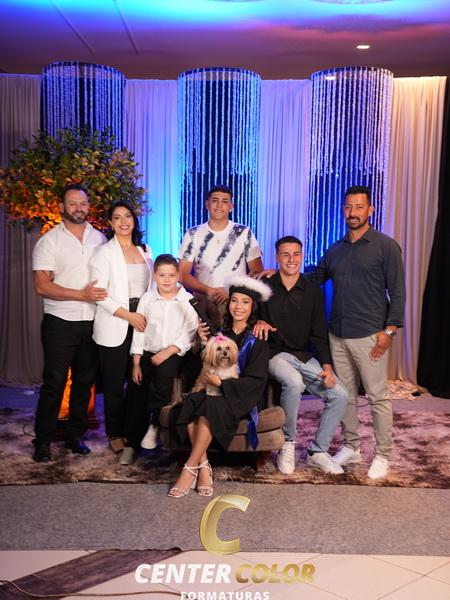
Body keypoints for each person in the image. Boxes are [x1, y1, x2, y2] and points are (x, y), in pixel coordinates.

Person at [306, 185, 406, 479]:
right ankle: (352, 446)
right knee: (345, 395)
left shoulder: (385, 246)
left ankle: (383, 455)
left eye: (359, 207)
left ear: (370, 210)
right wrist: (282, 273)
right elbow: (315, 278)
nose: (353, 212)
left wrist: (389, 331)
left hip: (370, 335)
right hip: (337, 334)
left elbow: (398, 292)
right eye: (349, 207)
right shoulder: (335, 249)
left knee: (377, 396)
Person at [169, 275, 271, 498]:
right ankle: (204, 467)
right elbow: (196, 370)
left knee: (209, 406)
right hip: (211, 393)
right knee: (189, 404)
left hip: (240, 398)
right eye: (234, 300)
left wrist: (222, 383)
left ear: (253, 307)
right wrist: (202, 344)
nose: (238, 306)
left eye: (245, 302)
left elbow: (256, 380)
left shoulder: (257, 338)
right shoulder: (219, 334)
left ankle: (189, 468)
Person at [254, 236, 348, 475]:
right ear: (277, 257)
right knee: (294, 382)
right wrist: (258, 321)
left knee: (339, 394)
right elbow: (246, 315)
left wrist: (327, 365)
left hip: (301, 356)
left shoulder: (313, 291)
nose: (291, 259)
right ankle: (287, 443)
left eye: (296, 254)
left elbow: (319, 334)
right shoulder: (264, 287)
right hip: (273, 354)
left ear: (302, 256)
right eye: (285, 254)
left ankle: (318, 451)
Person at [31, 183, 106, 462]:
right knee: (54, 383)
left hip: (93, 321)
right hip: (60, 321)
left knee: (85, 383)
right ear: (62, 207)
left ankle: (75, 436)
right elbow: (42, 286)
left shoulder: (100, 239)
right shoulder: (49, 241)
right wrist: (81, 295)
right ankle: (43, 440)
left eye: (83, 203)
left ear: (89, 206)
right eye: (73, 203)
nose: (78, 208)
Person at [121, 254, 199, 465]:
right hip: (148, 351)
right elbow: (139, 330)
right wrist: (136, 362)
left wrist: (167, 352)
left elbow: (190, 332)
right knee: (136, 387)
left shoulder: (187, 300)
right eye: (162, 275)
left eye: (171, 275)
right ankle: (131, 443)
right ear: (154, 276)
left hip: (175, 352)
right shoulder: (147, 299)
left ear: (178, 276)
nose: (166, 280)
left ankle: (155, 423)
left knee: (164, 376)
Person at [89, 201, 153, 455]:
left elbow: (153, 287)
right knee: (114, 385)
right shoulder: (104, 253)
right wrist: (129, 316)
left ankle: (133, 431)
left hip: (143, 322)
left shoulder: (145, 250)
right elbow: (99, 294)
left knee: (138, 383)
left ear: (134, 220)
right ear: (111, 223)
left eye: (127, 216)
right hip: (116, 321)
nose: (123, 221)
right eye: (117, 217)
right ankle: (115, 433)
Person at [178, 185, 263, 328]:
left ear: (231, 206)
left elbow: (257, 272)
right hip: (204, 301)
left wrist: (230, 290)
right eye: (215, 200)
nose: (219, 205)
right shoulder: (193, 233)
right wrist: (209, 290)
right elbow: (182, 275)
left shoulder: (243, 232)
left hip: (236, 302)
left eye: (225, 201)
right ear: (207, 204)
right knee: (205, 341)